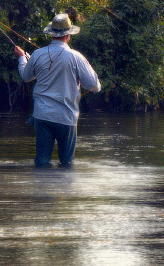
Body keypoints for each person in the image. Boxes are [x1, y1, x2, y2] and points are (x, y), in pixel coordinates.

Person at [13, 13, 101, 168]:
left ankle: (41, 190)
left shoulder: (38, 55)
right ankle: (63, 189)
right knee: (67, 164)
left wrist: (21, 58)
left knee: (42, 162)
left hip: (42, 116)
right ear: (68, 35)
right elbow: (94, 85)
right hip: (66, 117)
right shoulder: (76, 57)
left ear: (51, 34)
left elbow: (26, 77)